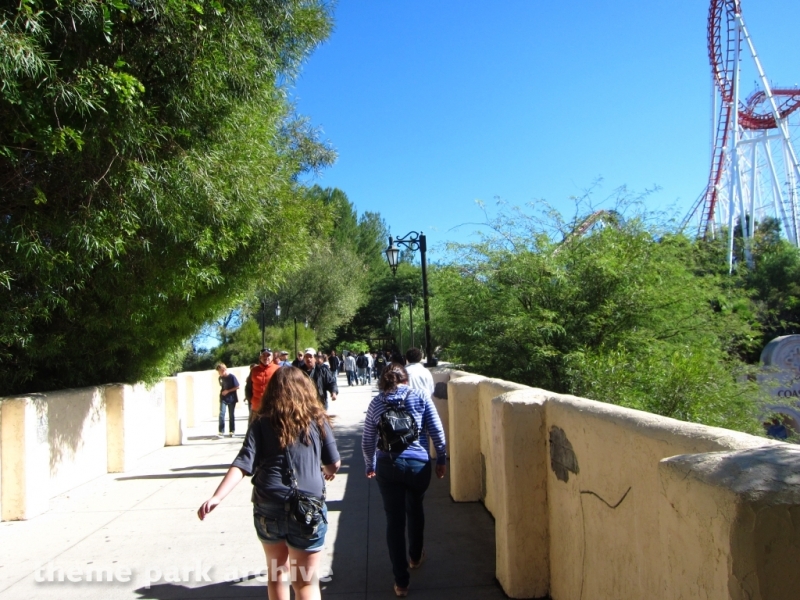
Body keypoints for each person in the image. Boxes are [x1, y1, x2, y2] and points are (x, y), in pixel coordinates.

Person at [198, 367, 341, 600]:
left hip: (269, 504)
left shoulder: (261, 422)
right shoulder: (318, 420)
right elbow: (334, 463)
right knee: (305, 582)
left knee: (277, 574)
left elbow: (243, 463)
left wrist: (217, 497)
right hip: (308, 506)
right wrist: (324, 471)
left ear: (272, 391)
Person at [362, 364, 447, 597]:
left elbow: (368, 439)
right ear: (405, 379)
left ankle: (401, 582)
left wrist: (370, 464)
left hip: (388, 465)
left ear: (383, 381)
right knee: (415, 508)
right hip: (418, 464)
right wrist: (441, 458)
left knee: (394, 520)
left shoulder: (377, 402)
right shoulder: (420, 396)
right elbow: (437, 430)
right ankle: (415, 557)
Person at [250, 349, 280, 417]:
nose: (266, 357)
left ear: (272, 357)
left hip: (273, 406)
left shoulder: (278, 369)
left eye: (268, 355)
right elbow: (249, 387)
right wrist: (251, 400)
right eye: (263, 355)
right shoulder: (254, 370)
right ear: (260, 357)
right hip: (256, 407)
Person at [216, 363, 240, 438]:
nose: (219, 373)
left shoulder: (232, 377)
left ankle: (232, 431)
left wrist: (228, 391)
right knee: (222, 414)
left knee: (231, 415)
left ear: (224, 370)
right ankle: (221, 431)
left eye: (220, 371)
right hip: (223, 398)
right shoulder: (220, 378)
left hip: (231, 398)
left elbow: (237, 386)